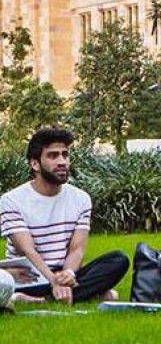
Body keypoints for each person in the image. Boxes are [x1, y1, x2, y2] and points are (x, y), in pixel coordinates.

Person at [0, 128, 128, 305]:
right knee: (4, 279)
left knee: (118, 260)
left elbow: (77, 249)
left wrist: (67, 276)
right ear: (35, 164)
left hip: (64, 270)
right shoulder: (11, 200)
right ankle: (85, 294)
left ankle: (43, 299)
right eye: (53, 156)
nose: (62, 162)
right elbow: (27, 250)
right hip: (28, 274)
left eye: (65, 155)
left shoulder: (81, 198)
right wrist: (53, 280)